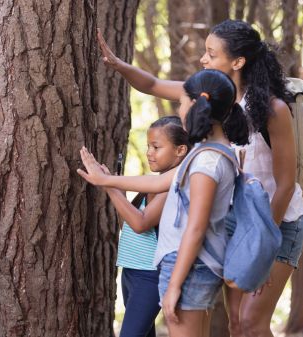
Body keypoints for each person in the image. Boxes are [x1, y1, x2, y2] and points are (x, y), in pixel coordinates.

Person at [97, 19, 303, 337]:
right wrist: (117, 64)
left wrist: (262, 247)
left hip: (277, 223)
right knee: (236, 323)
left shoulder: (273, 109)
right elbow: (153, 84)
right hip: (233, 224)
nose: (203, 60)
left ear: (237, 61)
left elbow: (286, 184)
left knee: (251, 323)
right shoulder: (212, 97)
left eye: (211, 53)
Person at [78, 69, 249, 337]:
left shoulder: (206, 161)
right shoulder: (208, 153)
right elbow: (155, 183)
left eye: (181, 102)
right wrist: (106, 180)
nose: (180, 108)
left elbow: (195, 228)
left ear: (194, 104)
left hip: (189, 268)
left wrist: (174, 285)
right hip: (187, 267)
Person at [107, 116, 190, 337]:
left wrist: (109, 185)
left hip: (150, 275)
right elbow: (130, 225)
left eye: (156, 147)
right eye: (148, 147)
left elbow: (140, 224)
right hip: (132, 271)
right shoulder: (156, 182)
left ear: (180, 150)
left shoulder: (168, 186)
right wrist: (119, 192)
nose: (149, 153)